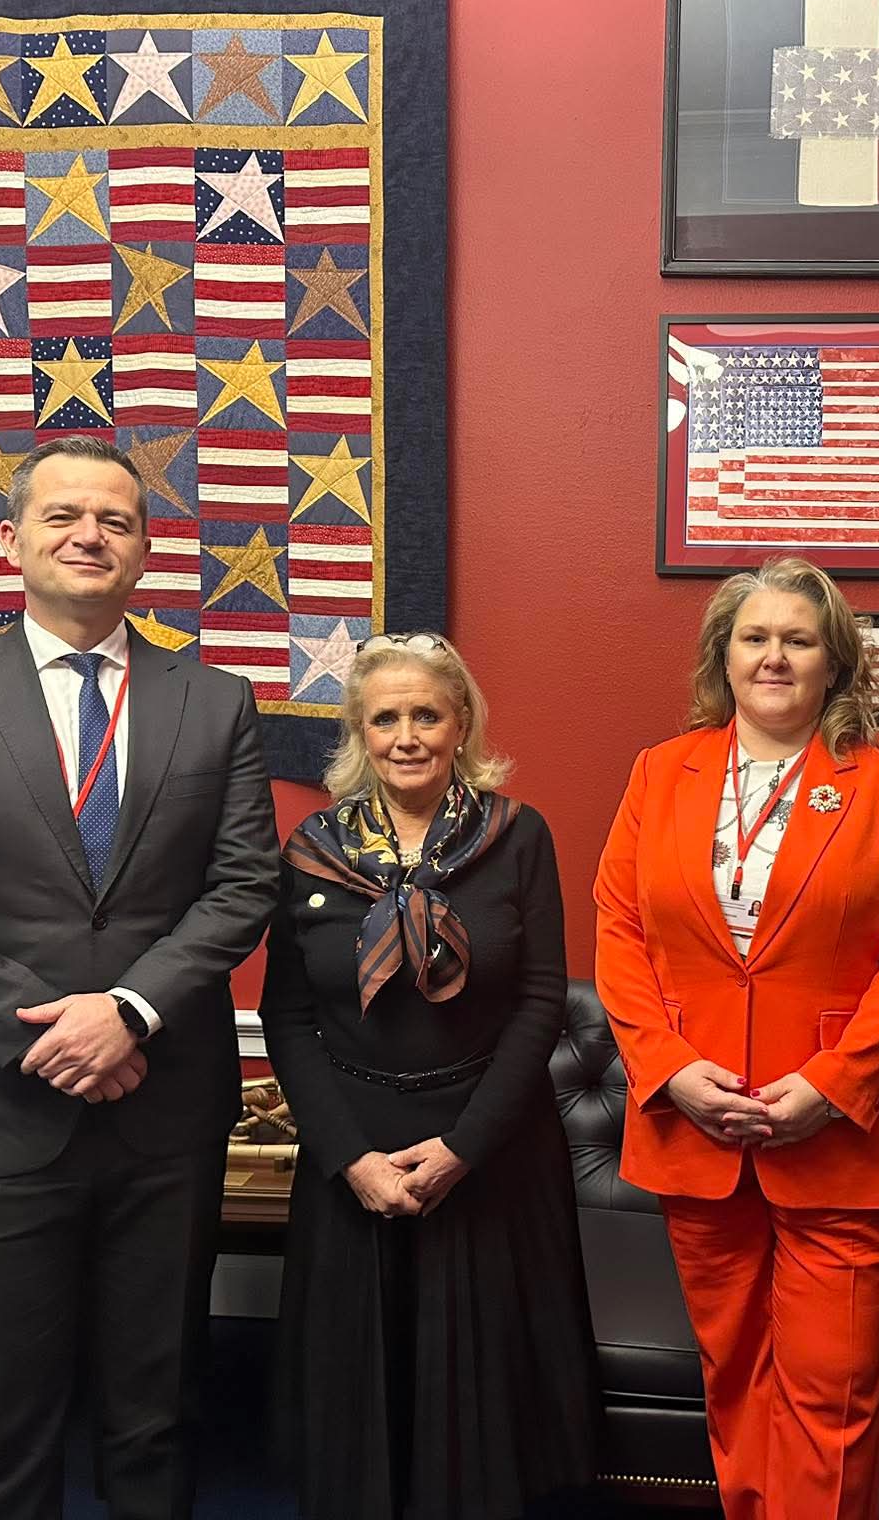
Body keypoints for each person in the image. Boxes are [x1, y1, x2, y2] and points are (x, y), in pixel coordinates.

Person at [0, 434, 279, 1520]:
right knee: (2, 1423)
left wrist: (129, 1011)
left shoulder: (217, 701)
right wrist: (51, 1034)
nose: (90, 535)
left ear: (144, 551)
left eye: (115, 521)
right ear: (11, 542)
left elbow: (244, 886)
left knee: (157, 1413)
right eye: (63, 515)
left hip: (164, 1118)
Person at [594, 557, 879, 1520]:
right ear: (724, 655)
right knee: (735, 1371)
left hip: (842, 1134)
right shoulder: (661, 771)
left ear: (835, 661)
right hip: (697, 1125)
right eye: (755, 637)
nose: (775, 657)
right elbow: (618, 931)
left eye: (799, 639)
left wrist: (833, 1084)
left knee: (832, 1393)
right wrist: (670, 1071)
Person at [259, 631, 597, 1520]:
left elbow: (540, 1001)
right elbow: (287, 1016)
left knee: (481, 1434)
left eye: (426, 716)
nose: (406, 737)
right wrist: (349, 1159)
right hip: (354, 1155)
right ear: (359, 733)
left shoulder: (517, 836)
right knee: (357, 1430)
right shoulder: (311, 849)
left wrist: (462, 1149)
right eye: (385, 719)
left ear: (461, 726)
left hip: (489, 1153)